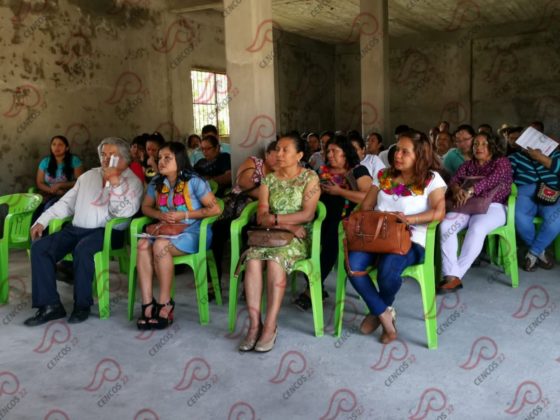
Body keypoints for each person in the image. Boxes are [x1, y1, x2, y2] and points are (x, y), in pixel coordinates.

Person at [24, 137, 144, 326]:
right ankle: (50, 306)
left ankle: (82, 305)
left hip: (107, 232)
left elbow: (122, 212)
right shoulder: (88, 176)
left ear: (124, 158)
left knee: (83, 249)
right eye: (103, 154)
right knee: (40, 248)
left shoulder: (133, 182)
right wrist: (42, 221)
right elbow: (67, 203)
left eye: (112, 155)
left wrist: (115, 183)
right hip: (76, 229)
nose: (106, 159)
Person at [346, 130, 446, 344]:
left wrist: (409, 219)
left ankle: (377, 309)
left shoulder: (431, 179)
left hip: (411, 240)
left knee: (388, 270)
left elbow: (439, 212)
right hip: (377, 237)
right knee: (353, 265)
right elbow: (366, 205)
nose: (397, 155)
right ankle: (384, 314)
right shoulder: (384, 175)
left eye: (405, 152)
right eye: (397, 149)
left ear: (420, 155)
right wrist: (380, 219)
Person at [239, 134, 320, 352]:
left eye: (285, 150)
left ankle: (270, 325)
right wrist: (286, 224)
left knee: (276, 261)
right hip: (270, 235)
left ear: (299, 155)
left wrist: (277, 220)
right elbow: (261, 215)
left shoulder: (310, 178)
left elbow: (307, 214)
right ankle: (254, 325)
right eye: (277, 149)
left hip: (297, 238)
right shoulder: (269, 180)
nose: (279, 154)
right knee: (252, 260)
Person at [135, 142, 222, 329]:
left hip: (194, 231)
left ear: (180, 160)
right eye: (160, 158)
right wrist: (159, 215)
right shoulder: (157, 182)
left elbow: (215, 209)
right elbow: (146, 207)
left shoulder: (194, 181)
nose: (161, 162)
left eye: (168, 158)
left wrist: (185, 215)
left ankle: (165, 303)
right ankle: (147, 303)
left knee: (160, 245)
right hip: (167, 229)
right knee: (142, 245)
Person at [294, 135, 372, 311]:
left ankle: (311, 289)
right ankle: (316, 287)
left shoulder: (358, 171)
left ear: (346, 153)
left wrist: (340, 192)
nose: (330, 154)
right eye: (328, 151)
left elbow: (368, 196)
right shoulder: (321, 171)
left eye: (335, 151)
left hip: (347, 222)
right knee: (305, 241)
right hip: (319, 219)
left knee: (331, 239)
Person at [438, 132, 513, 293]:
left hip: (494, 206)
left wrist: (470, 190)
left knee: (477, 227)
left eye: (484, 144)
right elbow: (454, 180)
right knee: (445, 226)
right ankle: (451, 275)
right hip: (467, 205)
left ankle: (455, 275)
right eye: (476, 144)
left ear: (493, 146)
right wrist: (457, 189)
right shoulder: (468, 164)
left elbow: (492, 180)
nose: (479, 147)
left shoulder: (502, 162)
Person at [210, 141, 277, 291]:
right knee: (216, 233)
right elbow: (244, 182)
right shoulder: (254, 162)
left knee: (252, 237)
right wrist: (265, 195)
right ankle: (213, 282)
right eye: (275, 155)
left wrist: (262, 196)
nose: (279, 159)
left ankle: (248, 285)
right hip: (234, 209)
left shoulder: (279, 174)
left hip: (256, 215)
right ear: (267, 154)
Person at [509, 131, 560, 271]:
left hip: (551, 193)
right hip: (525, 192)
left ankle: (533, 253)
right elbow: (507, 178)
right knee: (518, 216)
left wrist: (540, 157)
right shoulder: (514, 157)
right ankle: (540, 252)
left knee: (555, 220)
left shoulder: (556, 155)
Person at [35, 135, 84, 214]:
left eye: (60, 145)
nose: (56, 147)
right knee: (35, 209)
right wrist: (52, 190)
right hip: (48, 193)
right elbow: (39, 183)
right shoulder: (45, 162)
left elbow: (80, 181)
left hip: (68, 194)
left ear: (67, 148)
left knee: (49, 207)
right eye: (54, 144)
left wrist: (61, 185)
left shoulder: (74, 160)